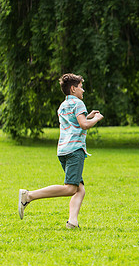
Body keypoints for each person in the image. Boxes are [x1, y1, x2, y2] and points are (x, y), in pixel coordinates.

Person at [18, 73, 104, 229]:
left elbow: (75, 122)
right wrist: (96, 119)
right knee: (71, 188)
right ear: (73, 89)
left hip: (63, 150)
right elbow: (84, 125)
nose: (83, 90)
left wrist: (87, 115)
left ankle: (72, 222)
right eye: (80, 87)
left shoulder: (63, 105)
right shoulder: (78, 103)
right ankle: (29, 195)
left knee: (80, 190)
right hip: (74, 150)